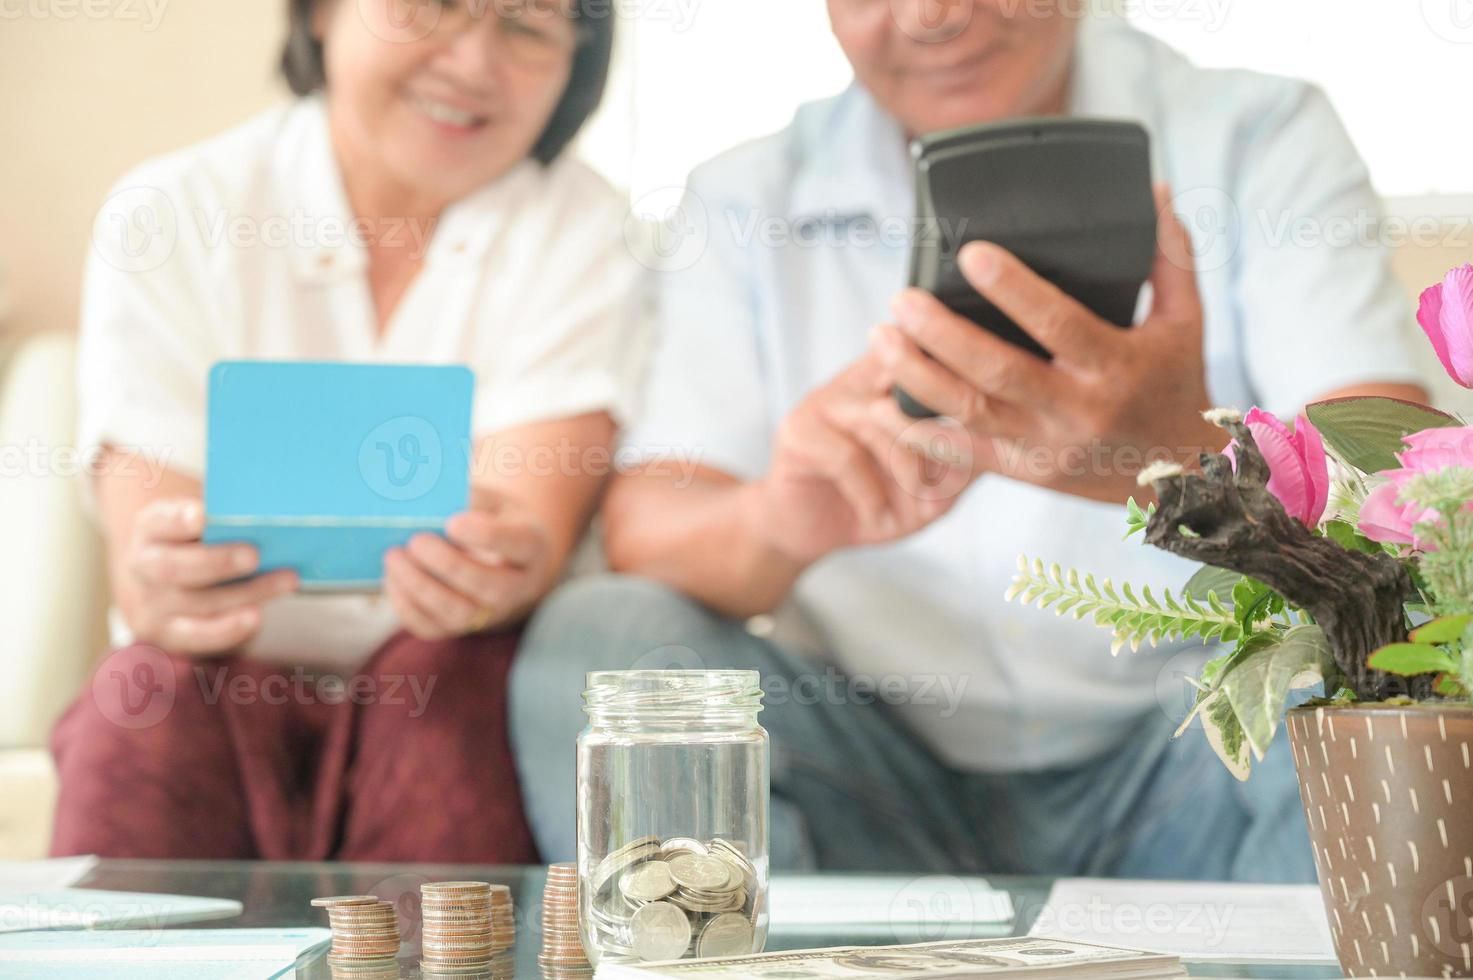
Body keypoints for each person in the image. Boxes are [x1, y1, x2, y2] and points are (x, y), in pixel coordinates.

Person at [509, 2, 1428, 881]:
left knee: (1379, 657)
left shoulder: (1257, 131)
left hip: (1201, 755)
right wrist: (780, 519)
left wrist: (1180, 465)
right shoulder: (743, 194)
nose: (929, 16)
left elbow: (1401, 506)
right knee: (601, 637)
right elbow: (649, 530)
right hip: (869, 768)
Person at [51, 0, 645, 862]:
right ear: (320, 13)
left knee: (446, 689)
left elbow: (528, 530)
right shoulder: (170, 211)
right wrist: (166, 577)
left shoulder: (591, 230)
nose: (474, 63)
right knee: (149, 695)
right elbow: (148, 571)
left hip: (453, 681)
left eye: (527, 27)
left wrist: (504, 561)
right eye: (434, 7)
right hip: (213, 679)